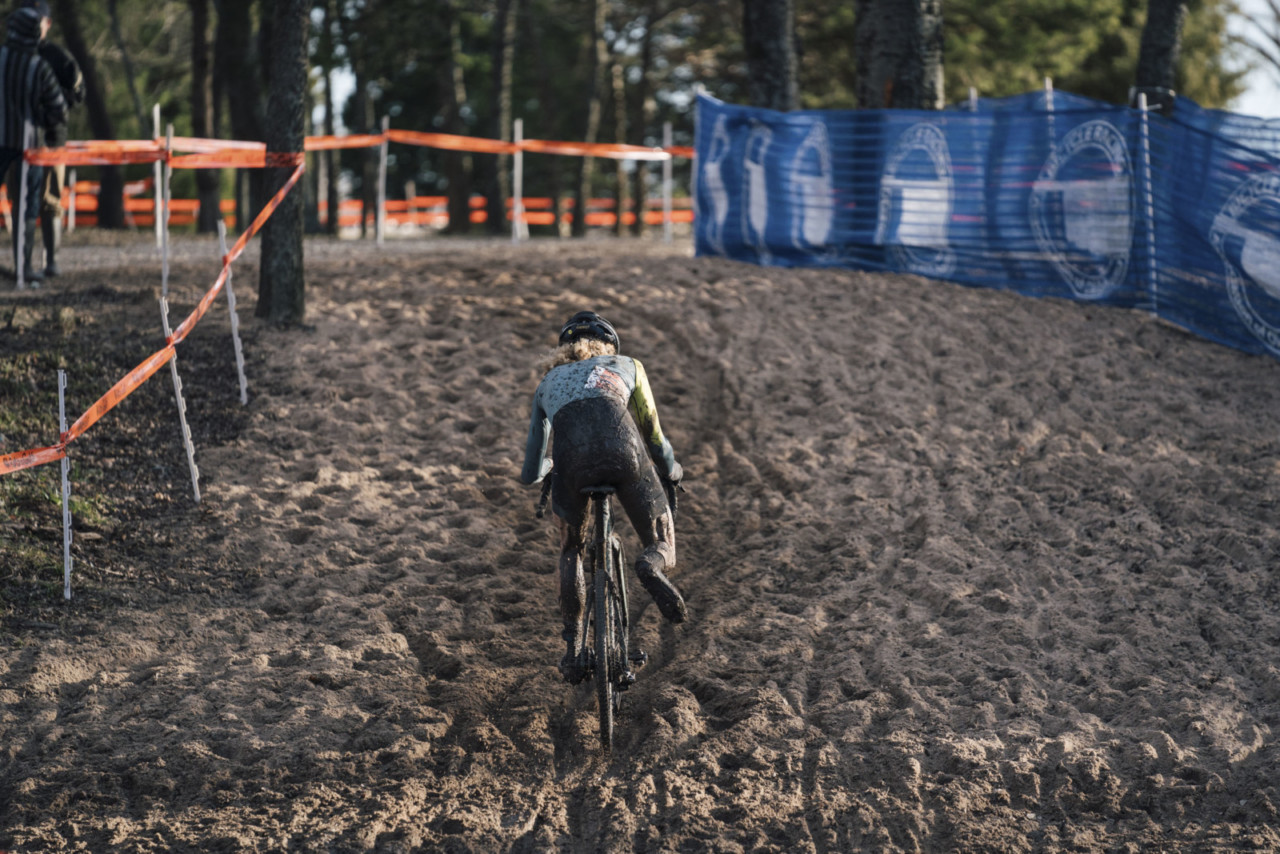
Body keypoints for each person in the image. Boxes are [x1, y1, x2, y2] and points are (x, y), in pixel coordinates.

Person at [521, 311, 687, 685]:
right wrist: (672, 469)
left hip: (570, 463)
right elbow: (655, 439)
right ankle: (650, 565)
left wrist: (551, 464)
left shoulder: (548, 381)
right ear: (608, 346)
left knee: (570, 550)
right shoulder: (627, 365)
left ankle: (573, 646)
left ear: (563, 352)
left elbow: (530, 472)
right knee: (662, 540)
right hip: (623, 449)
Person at [0, 0, 67, 286]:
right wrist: (50, 131)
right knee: (26, 206)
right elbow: (58, 108)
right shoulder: (38, 66)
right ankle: (23, 269)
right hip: (30, 147)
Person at [34, 33, 83, 277]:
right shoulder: (10, 56)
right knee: (20, 198)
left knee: (51, 198)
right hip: (17, 140)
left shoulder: (58, 57)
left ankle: (51, 261)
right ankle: (23, 264)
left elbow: (78, 92)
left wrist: (54, 106)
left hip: (53, 140)